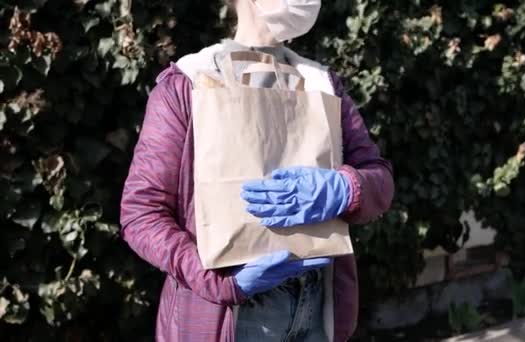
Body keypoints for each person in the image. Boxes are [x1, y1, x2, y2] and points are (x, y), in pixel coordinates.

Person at [119, 0, 394, 341]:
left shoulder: (321, 84)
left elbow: (379, 179)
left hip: (316, 308)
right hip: (232, 316)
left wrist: (345, 188)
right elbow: (141, 214)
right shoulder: (188, 83)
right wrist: (222, 282)